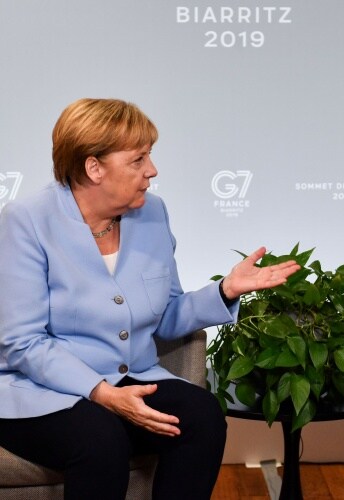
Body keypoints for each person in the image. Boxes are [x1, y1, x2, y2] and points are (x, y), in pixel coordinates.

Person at [0, 98, 300, 500]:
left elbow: (167, 314)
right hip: (41, 392)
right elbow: (23, 344)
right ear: (94, 167)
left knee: (203, 417)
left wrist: (225, 290)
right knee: (100, 439)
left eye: (150, 156)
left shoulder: (152, 213)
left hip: (132, 377)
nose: (152, 171)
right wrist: (103, 393)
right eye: (138, 159)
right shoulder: (27, 221)